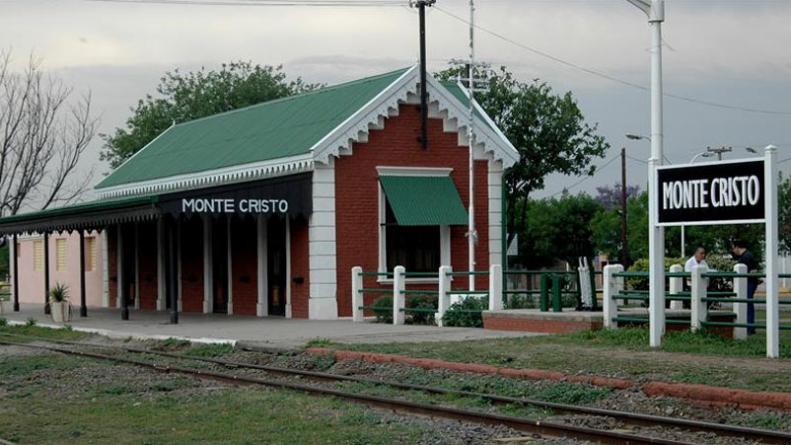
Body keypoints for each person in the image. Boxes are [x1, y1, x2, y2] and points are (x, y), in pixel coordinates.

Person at [732, 239, 759, 335]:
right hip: (751, 283)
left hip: (748, 283)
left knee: (747, 304)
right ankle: (750, 326)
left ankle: (749, 327)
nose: (733, 250)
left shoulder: (745, 257)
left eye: (733, 248)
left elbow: (750, 272)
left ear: (737, 247)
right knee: (748, 304)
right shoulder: (749, 255)